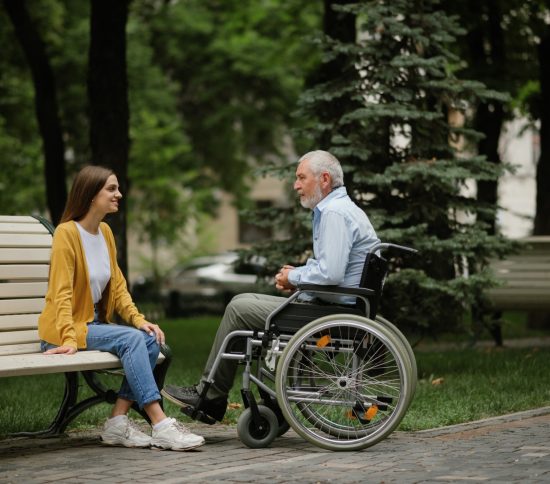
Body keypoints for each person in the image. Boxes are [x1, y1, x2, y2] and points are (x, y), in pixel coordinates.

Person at [162, 150, 380, 424]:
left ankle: (211, 396)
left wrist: (295, 278)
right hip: (337, 306)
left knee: (239, 308)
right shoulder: (342, 210)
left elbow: (332, 273)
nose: (295, 185)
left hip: (330, 312)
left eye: (301, 177)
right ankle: (268, 401)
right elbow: (335, 271)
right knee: (246, 299)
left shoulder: (334, 213)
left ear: (324, 179)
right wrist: (298, 276)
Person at [38, 165, 205, 451]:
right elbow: (60, 293)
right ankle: (161, 423)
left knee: (149, 339)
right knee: (130, 340)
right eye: (111, 189)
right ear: (91, 195)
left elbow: (118, 288)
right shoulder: (67, 234)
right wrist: (67, 338)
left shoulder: (105, 232)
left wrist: (140, 321)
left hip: (92, 327)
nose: (120, 194)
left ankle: (117, 421)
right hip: (62, 332)